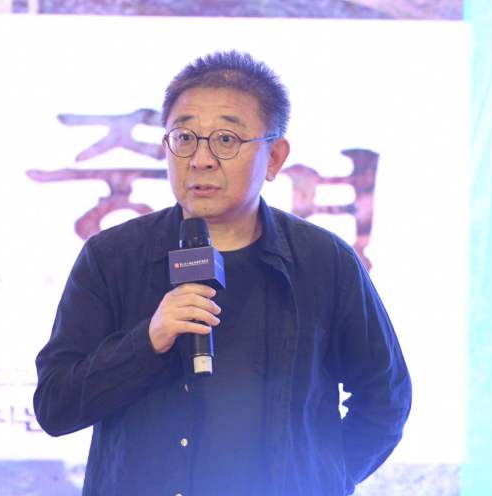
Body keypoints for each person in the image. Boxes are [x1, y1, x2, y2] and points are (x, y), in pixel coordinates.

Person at [33, 50, 411, 496]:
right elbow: (55, 405)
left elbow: (384, 401)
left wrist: (321, 479)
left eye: (226, 139)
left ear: (274, 157)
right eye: (185, 137)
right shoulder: (112, 257)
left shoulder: (324, 261)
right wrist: (147, 340)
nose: (201, 159)